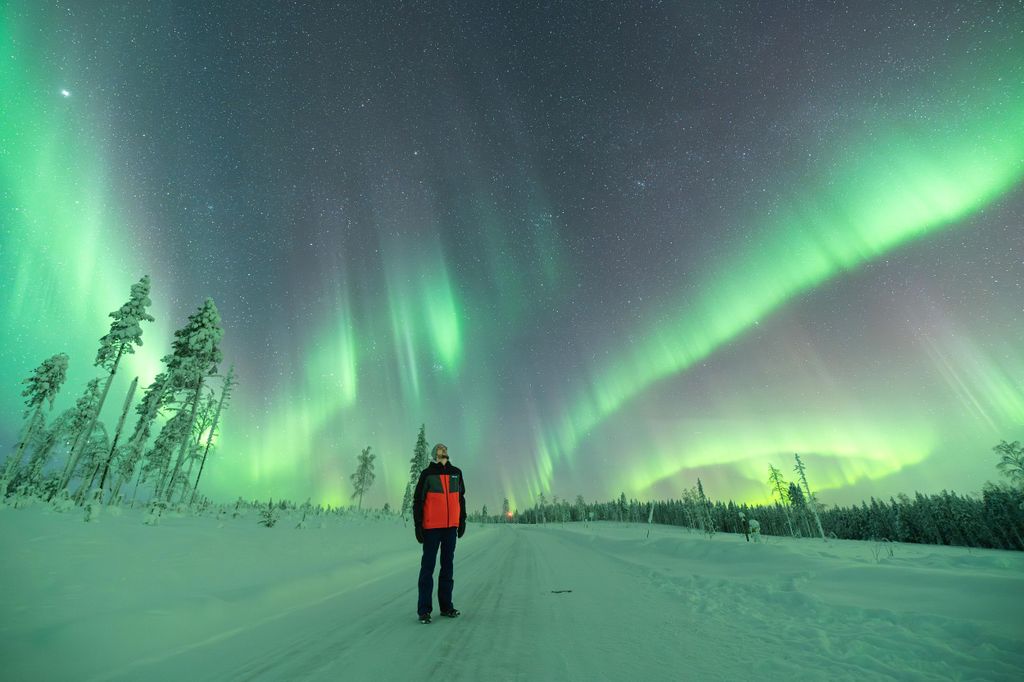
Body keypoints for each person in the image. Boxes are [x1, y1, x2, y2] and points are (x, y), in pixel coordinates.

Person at [413, 442, 466, 624]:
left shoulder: (456, 473)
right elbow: (418, 500)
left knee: (447, 567)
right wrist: (418, 525)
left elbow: (461, 498)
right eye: (439, 449)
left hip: (450, 528)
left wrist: (462, 521)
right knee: (428, 569)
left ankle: (446, 607)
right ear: (434, 453)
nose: (443, 451)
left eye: (445, 449)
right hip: (432, 529)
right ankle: (424, 610)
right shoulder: (427, 474)